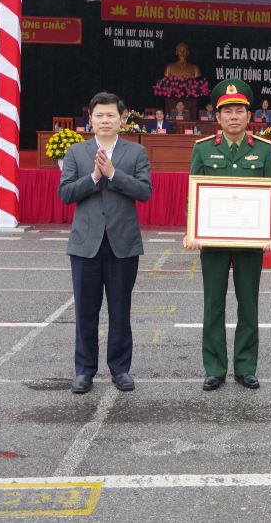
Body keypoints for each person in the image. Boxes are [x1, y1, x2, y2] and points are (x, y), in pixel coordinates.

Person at [184, 79, 271, 391]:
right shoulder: (203, 149)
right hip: (212, 242)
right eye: (228, 111)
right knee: (213, 305)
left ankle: (245, 367)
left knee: (248, 304)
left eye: (240, 110)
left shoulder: (264, 151)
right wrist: (192, 231)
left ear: (249, 116)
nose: (234, 116)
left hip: (251, 243)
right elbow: (194, 194)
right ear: (218, 117)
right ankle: (214, 368)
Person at [58, 92, 153, 395]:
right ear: (91, 119)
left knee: (120, 310)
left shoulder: (135, 153)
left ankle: (120, 369)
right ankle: (84, 371)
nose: (105, 120)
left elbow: (144, 191)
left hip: (122, 244)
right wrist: (94, 178)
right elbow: (66, 193)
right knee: (86, 311)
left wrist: (113, 174)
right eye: (99, 115)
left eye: (111, 115)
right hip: (85, 245)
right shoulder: (76, 152)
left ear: (122, 119)